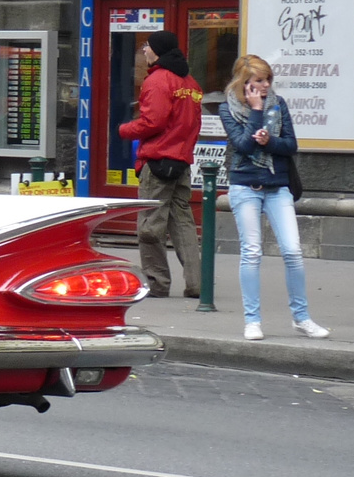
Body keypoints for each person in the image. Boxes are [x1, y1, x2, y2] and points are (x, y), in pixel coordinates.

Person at [220, 54, 329, 340]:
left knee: (292, 251)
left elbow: (291, 145)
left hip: (277, 186)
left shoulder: (278, 105)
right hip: (245, 187)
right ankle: (252, 321)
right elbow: (242, 146)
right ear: (245, 83)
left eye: (268, 79)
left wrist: (272, 142)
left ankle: (302, 318)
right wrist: (256, 111)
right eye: (258, 80)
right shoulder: (227, 108)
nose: (266, 85)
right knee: (252, 252)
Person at [119, 30, 203, 298]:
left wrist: (124, 130)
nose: (144, 50)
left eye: (147, 46)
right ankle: (197, 282)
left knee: (149, 226)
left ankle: (157, 282)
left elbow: (152, 122)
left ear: (157, 50)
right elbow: (192, 124)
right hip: (181, 162)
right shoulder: (190, 83)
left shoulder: (157, 81)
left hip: (157, 161)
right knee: (183, 224)